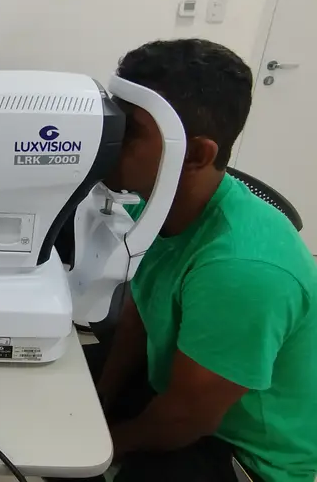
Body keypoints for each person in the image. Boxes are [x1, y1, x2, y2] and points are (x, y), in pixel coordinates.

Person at [63, 39, 317, 482]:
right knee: (54, 389)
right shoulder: (159, 204)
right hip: (177, 384)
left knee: (71, 456)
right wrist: (101, 396)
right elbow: (141, 310)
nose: (107, 142)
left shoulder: (240, 269)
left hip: (245, 454)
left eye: (128, 130)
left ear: (195, 155)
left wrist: (97, 448)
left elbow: (186, 419)